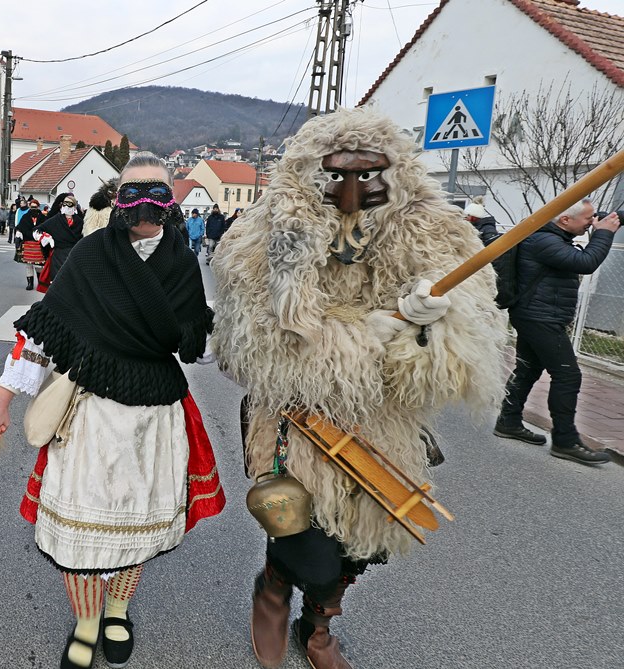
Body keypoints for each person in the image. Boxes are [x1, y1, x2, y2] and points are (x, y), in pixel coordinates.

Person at [211, 108, 508, 669]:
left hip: (382, 421)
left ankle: (318, 626)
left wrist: (429, 324)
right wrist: (368, 333)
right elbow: (252, 347)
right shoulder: (260, 234)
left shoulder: (430, 229)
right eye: (335, 176)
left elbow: (471, 346)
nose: (351, 194)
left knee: (362, 544)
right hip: (296, 420)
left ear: (392, 173)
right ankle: (275, 586)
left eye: (367, 175)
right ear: (308, 173)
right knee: (302, 531)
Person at [0, 151, 222, 669]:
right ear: (116, 200)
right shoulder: (90, 256)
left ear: (172, 202)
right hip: (90, 410)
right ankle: (87, 622)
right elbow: (45, 330)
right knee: (81, 535)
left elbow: (194, 338)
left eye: (157, 192)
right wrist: (1, 398)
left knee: (137, 528)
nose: (145, 205)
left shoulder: (181, 262)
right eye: (132, 193)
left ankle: (117, 612)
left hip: (155, 413)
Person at [493, 198, 619, 465]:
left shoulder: (550, 235)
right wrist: (605, 233)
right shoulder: (544, 242)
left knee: (528, 369)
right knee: (567, 375)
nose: (591, 223)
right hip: (540, 318)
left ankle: (508, 422)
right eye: (587, 219)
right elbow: (586, 262)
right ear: (564, 220)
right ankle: (565, 441)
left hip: (533, 314)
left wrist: (612, 220)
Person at [33, 193, 83, 286]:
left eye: (69, 204)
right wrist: (47, 237)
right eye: (65, 203)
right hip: (58, 255)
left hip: (74, 256)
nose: (66, 206)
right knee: (57, 283)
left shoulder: (79, 221)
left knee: (71, 284)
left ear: (75, 206)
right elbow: (37, 230)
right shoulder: (56, 219)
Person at [14, 198, 46, 290]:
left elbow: (47, 228)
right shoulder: (25, 217)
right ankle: (30, 284)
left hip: (39, 244)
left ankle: (40, 282)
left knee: (39, 265)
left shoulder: (43, 218)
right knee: (28, 265)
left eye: (35, 207)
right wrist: (18, 237)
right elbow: (19, 227)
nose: (33, 209)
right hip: (28, 243)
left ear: (38, 207)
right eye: (31, 207)